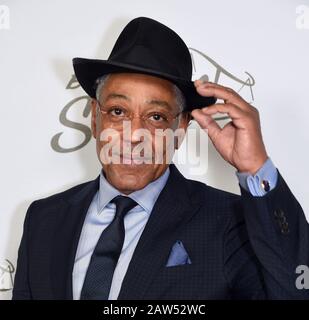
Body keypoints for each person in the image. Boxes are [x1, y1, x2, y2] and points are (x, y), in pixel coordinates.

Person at [13, 17, 309, 300]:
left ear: (179, 129)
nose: (134, 135)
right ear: (94, 119)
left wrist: (255, 167)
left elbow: (298, 290)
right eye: (118, 111)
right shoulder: (43, 219)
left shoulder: (229, 222)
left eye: (156, 117)